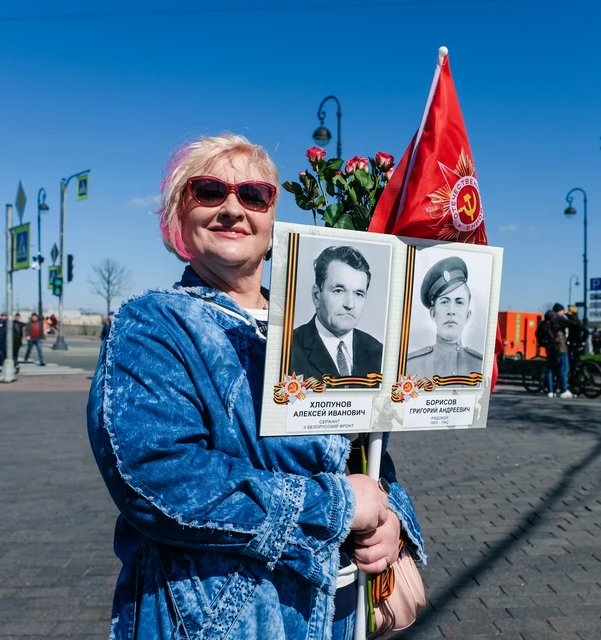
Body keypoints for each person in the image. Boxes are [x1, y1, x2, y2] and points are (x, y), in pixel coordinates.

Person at [87, 134, 424, 640]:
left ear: (272, 218)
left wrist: (390, 519)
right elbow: (156, 479)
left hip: (335, 612)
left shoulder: (309, 327)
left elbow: (363, 455)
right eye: (208, 191)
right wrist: (334, 507)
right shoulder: (154, 324)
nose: (232, 209)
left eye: (253, 195)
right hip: (220, 621)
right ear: (181, 213)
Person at [289, 245, 384, 383]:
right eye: (339, 290)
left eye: (359, 293)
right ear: (316, 295)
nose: (350, 304)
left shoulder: (379, 353)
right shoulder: (287, 350)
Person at [406, 256, 483, 381]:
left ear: (468, 316)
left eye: (459, 302)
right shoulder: (411, 366)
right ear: (433, 314)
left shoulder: (480, 365)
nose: (451, 311)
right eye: (444, 302)